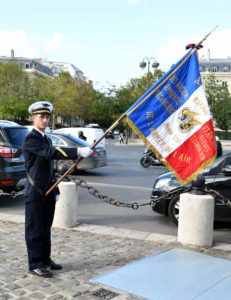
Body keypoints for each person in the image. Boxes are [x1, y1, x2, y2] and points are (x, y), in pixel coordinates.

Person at [23, 101, 93, 278]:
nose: (45, 120)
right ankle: (35, 264)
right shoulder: (31, 138)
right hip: (35, 191)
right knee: (34, 229)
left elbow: (49, 166)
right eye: (41, 117)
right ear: (33, 118)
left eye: (47, 117)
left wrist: (55, 190)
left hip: (48, 190)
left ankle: (45, 259)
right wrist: (77, 151)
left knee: (45, 228)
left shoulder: (44, 137)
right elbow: (50, 152)